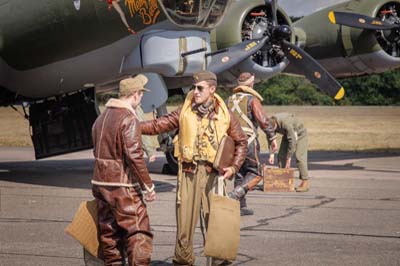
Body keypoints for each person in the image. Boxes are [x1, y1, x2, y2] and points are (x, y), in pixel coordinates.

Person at [140, 70, 248, 266]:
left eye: (200, 88)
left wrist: (233, 167)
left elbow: (241, 141)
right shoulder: (185, 110)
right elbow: (160, 124)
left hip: (213, 174)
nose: (195, 92)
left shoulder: (226, 114)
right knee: (184, 221)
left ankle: (219, 259)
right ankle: (183, 260)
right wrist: (135, 126)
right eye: (194, 88)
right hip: (188, 172)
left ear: (212, 89)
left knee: (215, 220)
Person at [91, 74, 156, 266]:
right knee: (138, 231)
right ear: (135, 95)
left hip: (99, 183)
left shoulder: (101, 118)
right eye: (141, 94)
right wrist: (148, 186)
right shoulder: (128, 118)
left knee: (109, 234)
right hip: (122, 185)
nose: (141, 98)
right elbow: (134, 156)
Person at [226, 72, 277, 216]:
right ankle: (234, 196)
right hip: (248, 142)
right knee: (256, 173)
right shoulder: (252, 100)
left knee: (240, 173)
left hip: (232, 143)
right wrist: (272, 138)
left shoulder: (228, 100)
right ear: (251, 84)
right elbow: (263, 120)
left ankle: (239, 206)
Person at [268, 112, 309, 192]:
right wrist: (271, 154)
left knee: (299, 156)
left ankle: (305, 181)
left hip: (300, 134)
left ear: (275, 126)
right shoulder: (269, 124)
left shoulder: (286, 123)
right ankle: (284, 179)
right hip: (288, 134)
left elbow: (292, 141)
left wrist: (289, 157)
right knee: (281, 155)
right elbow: (270, 139)